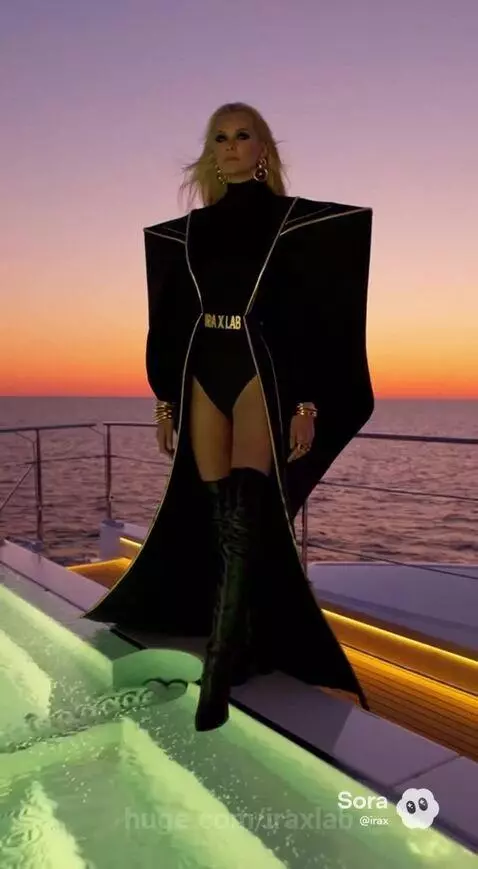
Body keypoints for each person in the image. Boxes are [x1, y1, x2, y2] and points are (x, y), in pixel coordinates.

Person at [83, 102, 375, 732]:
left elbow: (312, 318)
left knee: (248, 510)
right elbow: (166, 319)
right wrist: (164, 398)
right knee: (217, 514)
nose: (233, 145)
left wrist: (304, 403)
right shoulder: (186, 231)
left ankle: (219, 667)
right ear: (210, 151)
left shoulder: (292, 223)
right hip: (200, 368)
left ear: (262, 147)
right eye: (221, 137)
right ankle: (235, 636)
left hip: (257, 366)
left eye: (244, 135)